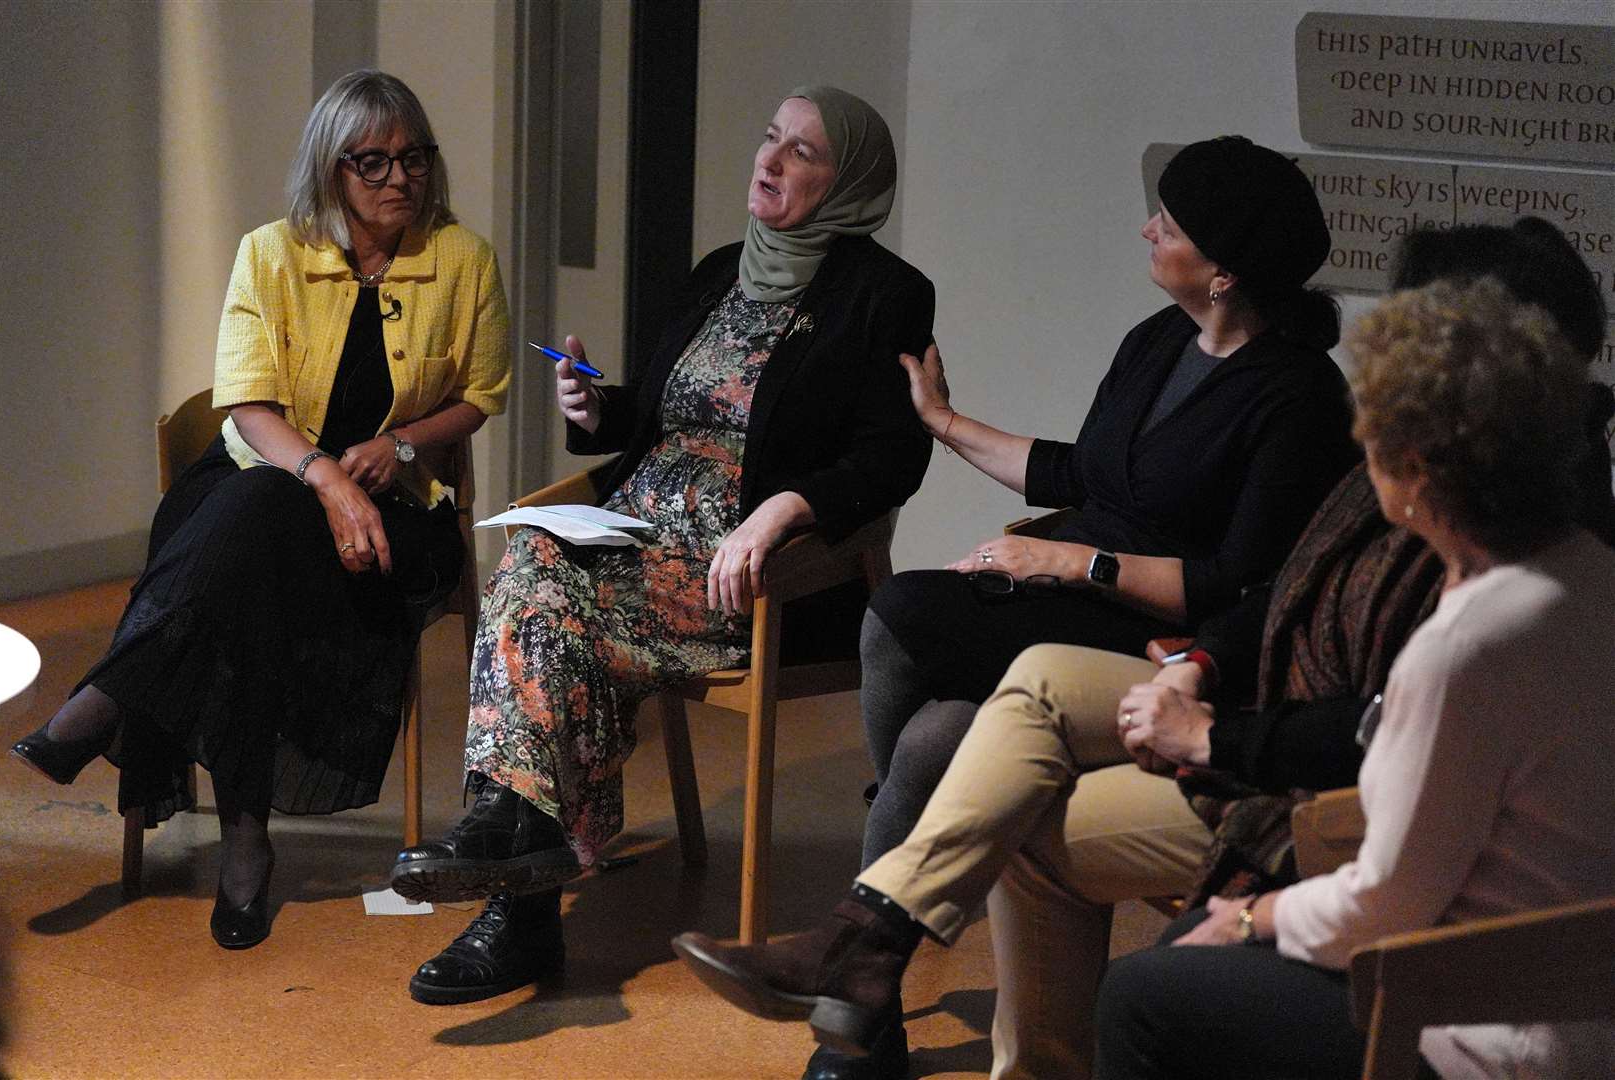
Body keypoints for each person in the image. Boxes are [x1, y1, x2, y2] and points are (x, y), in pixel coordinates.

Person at [671, 217, 1614, 1079]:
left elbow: (1372, 768)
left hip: (1307, 791)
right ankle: (864, 949)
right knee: (982, 668)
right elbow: (1274, 591)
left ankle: (867, 966)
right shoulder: (1179, 355)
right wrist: (1197, 668)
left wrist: (1210, 743)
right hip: (1235, 697)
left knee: (978, 767)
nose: (1375, 409)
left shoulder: (1473, 555)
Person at [387, 86, 936, 1008]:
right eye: (770, 136)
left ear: (852, 183)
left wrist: (783, 511)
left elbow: (891, 455)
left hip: (754, 568)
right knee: (534, 570)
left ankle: (511, 876)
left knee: (543, 598)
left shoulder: (885, 296)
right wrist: (600, 408)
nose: (769, 160)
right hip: (637, 534)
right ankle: (518, 855)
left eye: (802, 152)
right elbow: (664, 413)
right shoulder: (721, 268)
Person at [830, 134, 1360, 1078]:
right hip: (1075, 588)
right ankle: (862, 1005)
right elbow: (1086, 470)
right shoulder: (1157, 341)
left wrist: (1073, 563)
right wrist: (943, 422)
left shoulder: (1300, 396)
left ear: (1227, 272)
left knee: (906, 613)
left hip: (1159, 634)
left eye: (1171, 221)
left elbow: (1235, 582)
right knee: (930, 733)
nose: (1148, 228)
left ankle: (855, 1002)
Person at [7, 71, 510, 950]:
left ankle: (116, 699)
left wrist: (396, 448)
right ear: (330, 169)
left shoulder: (463, 260)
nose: (401, 178)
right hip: (265, 485)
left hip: (397, 512)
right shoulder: (270, 252)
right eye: (374, 162)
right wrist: (329, 476)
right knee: (260, 518)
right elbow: (246, 405)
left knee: (250, 543)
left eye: (415, 158)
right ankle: (243, 835)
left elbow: (483, 393)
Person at [1094, 277, 1615, 1079]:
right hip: (1580, 1001)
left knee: (1142, 995)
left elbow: (1386, 904)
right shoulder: (1592, 577)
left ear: (1409, 469)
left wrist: (1250, 917)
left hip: (1476, 1024)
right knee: (1184, 957)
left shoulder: (1465, 647)